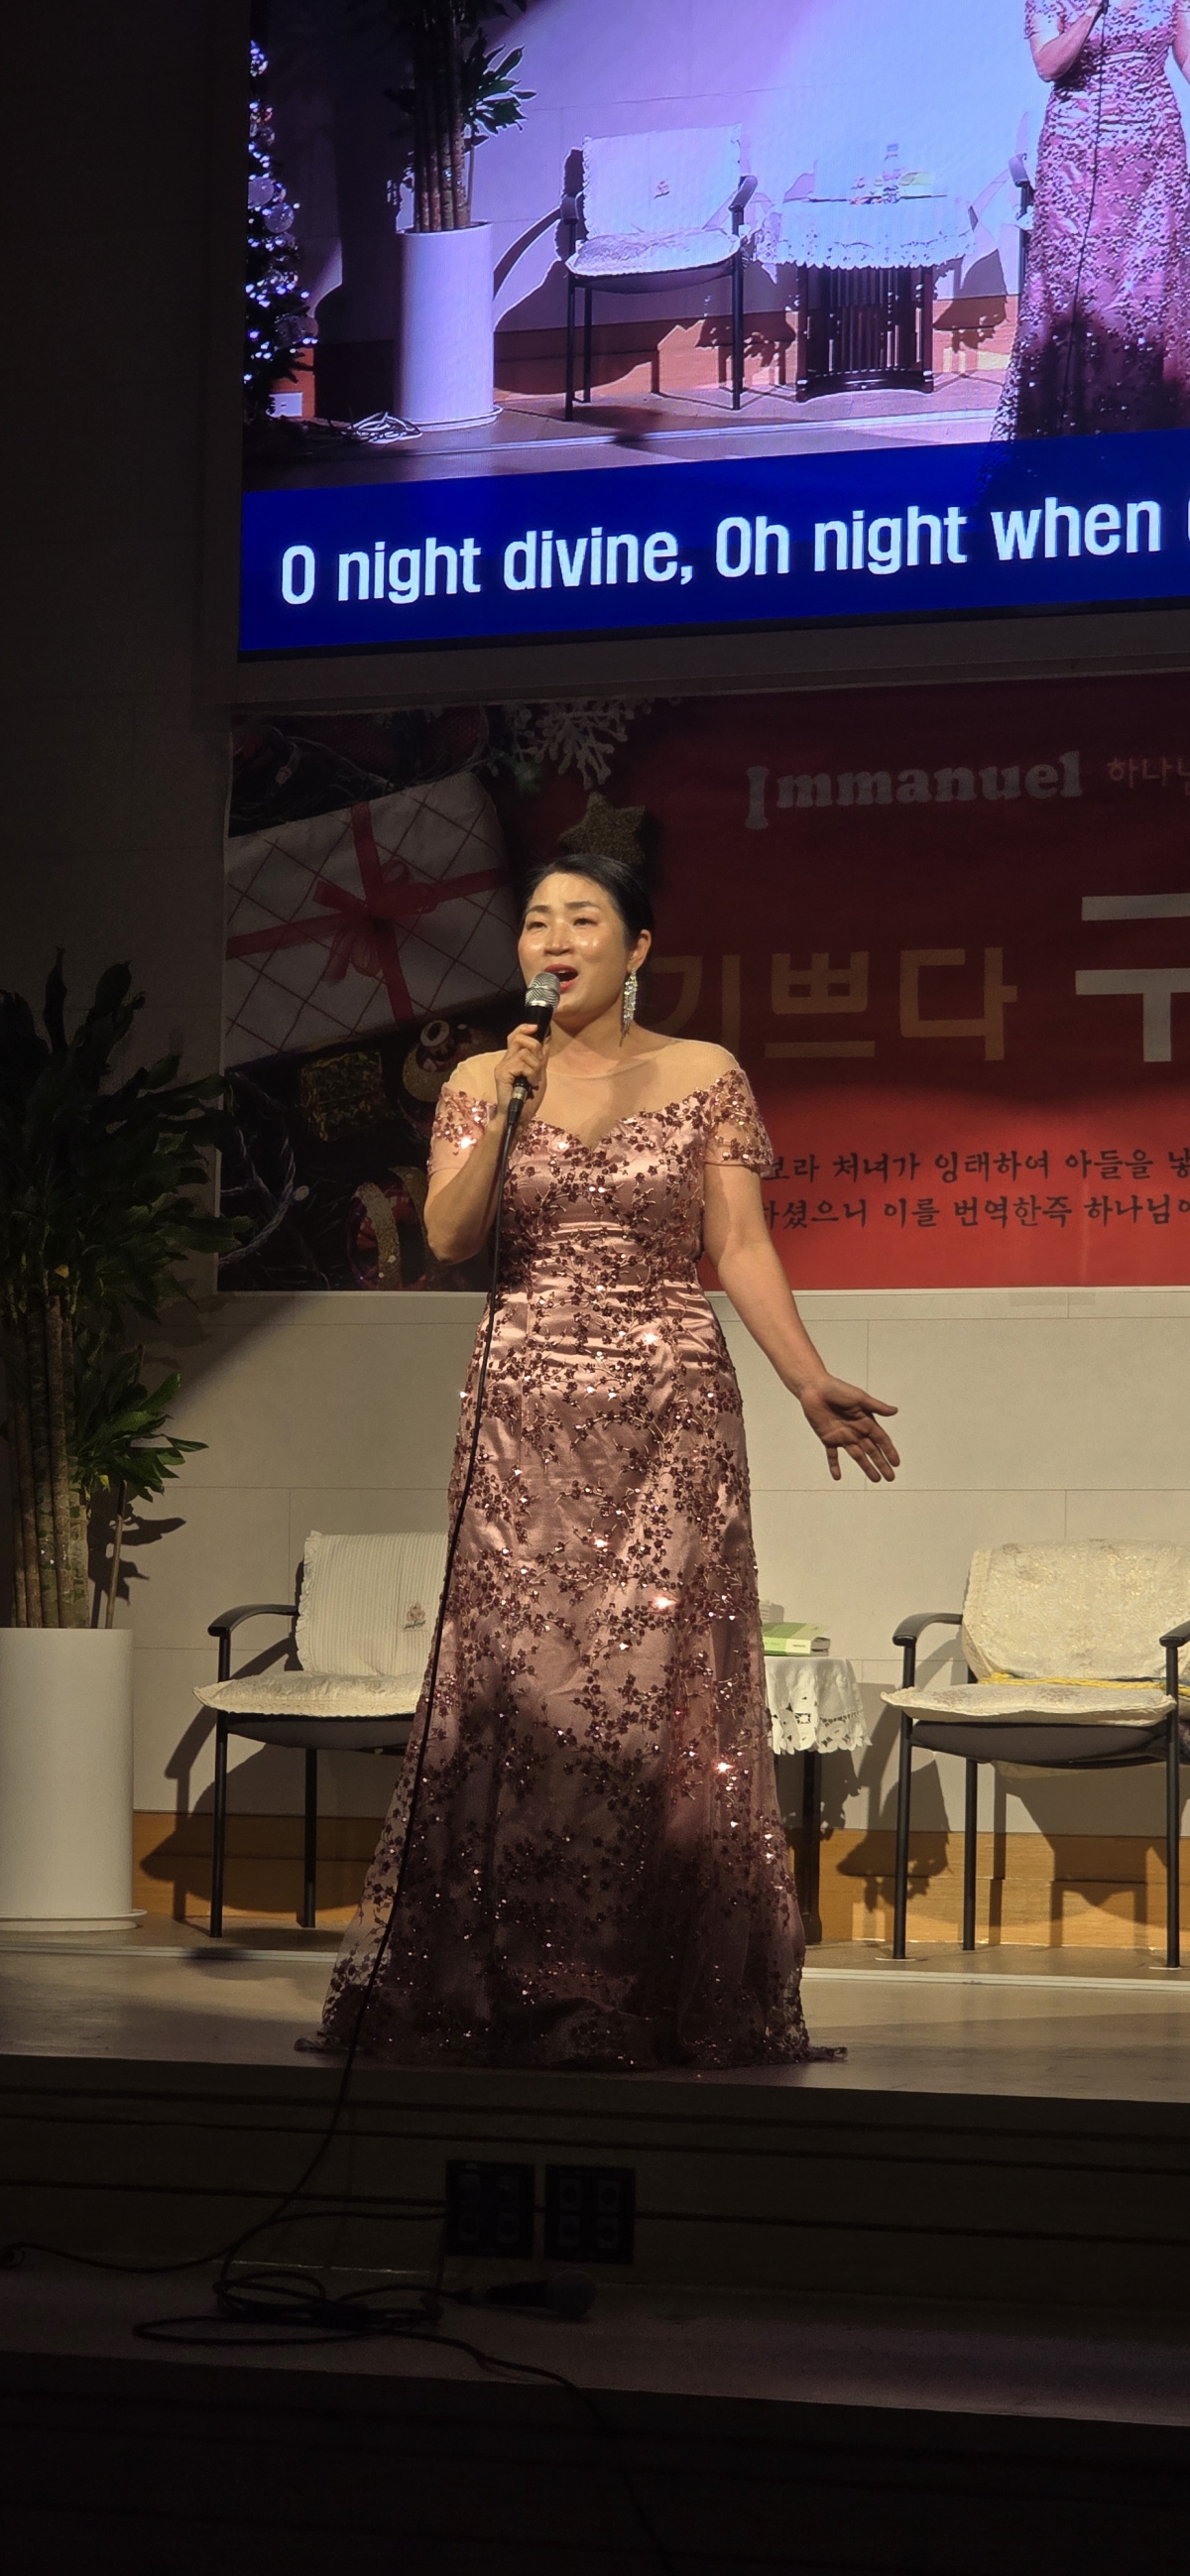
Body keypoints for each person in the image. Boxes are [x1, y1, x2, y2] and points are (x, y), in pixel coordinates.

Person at [306, 852, 898, 2070]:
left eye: (584, 919)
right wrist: (506, 1106)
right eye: (537, 921)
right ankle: (505, 1977)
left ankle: (645, 1979)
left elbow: (739, 1244)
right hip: (522, 1405)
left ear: (637, 949)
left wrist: (806, 1379)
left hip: (668, 1404)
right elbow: (451, 1236)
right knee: (520, 1689)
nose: (555, 938)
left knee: (650, 1686)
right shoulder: (484, 1075)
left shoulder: (703, 1072)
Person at [996, 0, 1190, 437]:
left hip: (1156, 156)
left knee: (1151, 291)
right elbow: (1048, 66)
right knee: (1082, 294)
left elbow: (1187, 57)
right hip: (1078, 161)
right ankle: (1075, 433)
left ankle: (1151, 432)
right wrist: (1088, 13)